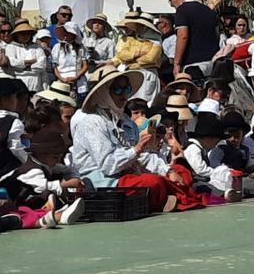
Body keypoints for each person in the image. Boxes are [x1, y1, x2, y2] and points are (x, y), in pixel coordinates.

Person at [66, 66, 182, 212]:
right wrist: (135, 151)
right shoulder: (92, 122)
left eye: (126, 89)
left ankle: (167, 197)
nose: (124, 95)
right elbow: (108, 165)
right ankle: (166, 198)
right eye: (117, 90)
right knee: (153, 182)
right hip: (103, 182)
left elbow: (142, 157)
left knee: (180, 171)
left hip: (127, 175)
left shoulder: (126, 121)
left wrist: (168, 170)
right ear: (104, 93)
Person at [167, 0, 220, 78]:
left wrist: (176, 63)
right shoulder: (208, 10)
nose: (171, 4)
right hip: (212, 60)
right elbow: (216, 34)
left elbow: (183, 36)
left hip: (193, 63)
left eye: (170, 0)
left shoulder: (182, 10)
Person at [113, 12, 164, 102]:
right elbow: (121, 54)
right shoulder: (131, 39)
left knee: (147, 101)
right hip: (133, 74)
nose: (138, 28)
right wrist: (135, 54)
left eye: (141, 26)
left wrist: (132, 61)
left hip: (147, 74)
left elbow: (151, 58)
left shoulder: (156, 42)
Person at [50, 21, 89, 102]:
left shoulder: (81, 48)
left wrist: (76, 77)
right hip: (62, 80)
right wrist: (62, 79)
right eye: (65, 32)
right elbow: (55, 67)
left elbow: (85, 65)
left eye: (68, 32)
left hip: (78, 80)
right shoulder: (57, 47)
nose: (66, 34)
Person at [3, 20, 47, 92]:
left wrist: (25, 66)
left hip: (35, 81)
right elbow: (12, 62)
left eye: (28, 34)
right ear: (17, 34)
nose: (26, 36)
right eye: (23, 34)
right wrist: (27, 62)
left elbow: (42, 64)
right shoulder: (11, 47)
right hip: (18, 79)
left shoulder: (37, 47)